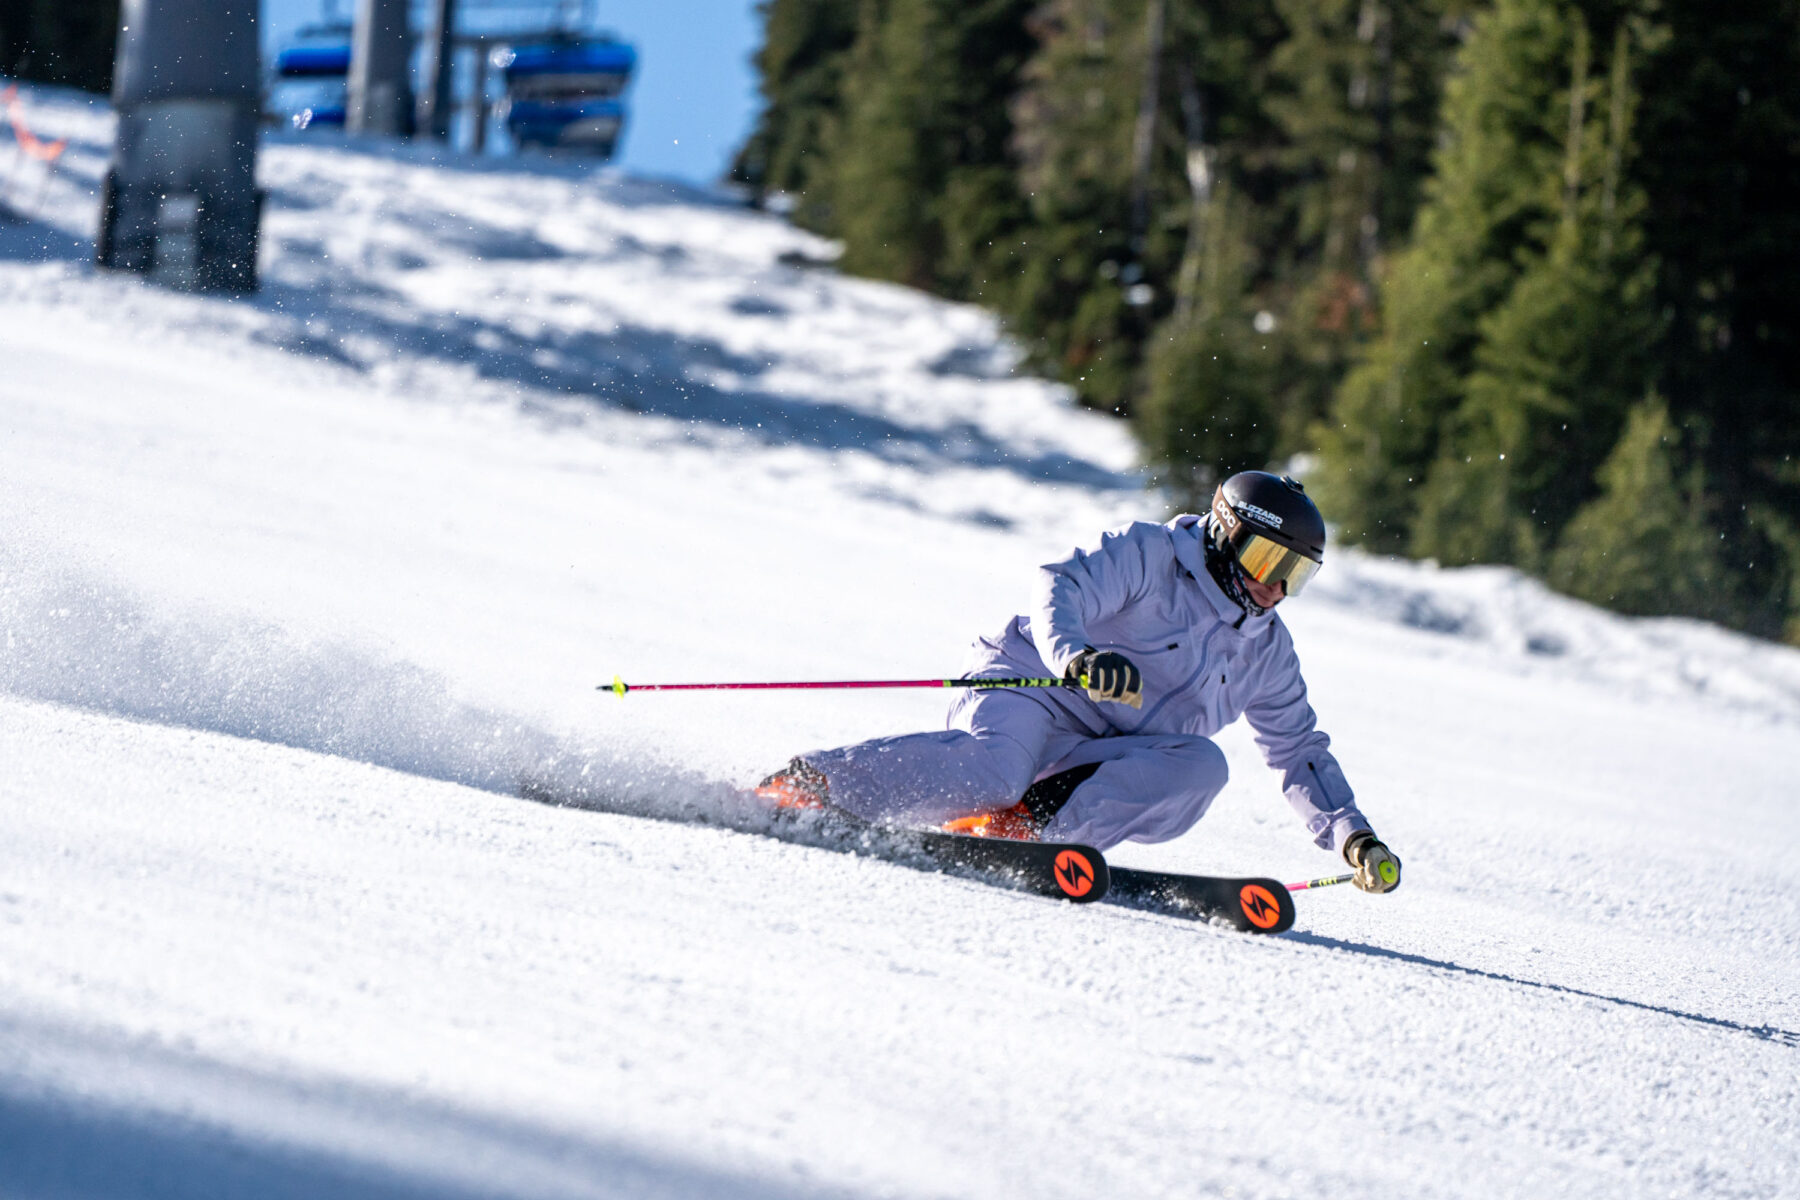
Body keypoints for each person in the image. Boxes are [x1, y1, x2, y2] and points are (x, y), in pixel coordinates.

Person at [755, 471, 1402, 894]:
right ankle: (812, 786)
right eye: (1267, 561)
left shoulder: (1267, 652)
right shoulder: (1152, 557)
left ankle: (1026, 833)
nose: (1274, 588)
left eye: (1295, 576)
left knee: (1203, 767)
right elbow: (1060, 584)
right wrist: (1077, 656)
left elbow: (1298, 752)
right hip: (1035, 685)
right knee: (995, 771)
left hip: (1102, 755)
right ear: (1226, 533)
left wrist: (1352, 835)